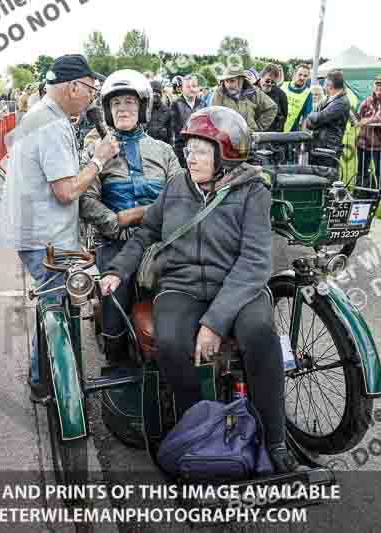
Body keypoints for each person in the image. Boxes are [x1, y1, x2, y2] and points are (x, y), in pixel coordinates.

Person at [98, 105, 298, 473]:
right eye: (188, 149)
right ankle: (199, 430)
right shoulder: (176, 186)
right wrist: (118, 270)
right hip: (182, 285)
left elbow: (255, 262)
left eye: (201, 151)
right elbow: (146, 232)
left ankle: (275, 441)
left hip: (237, 285)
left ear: (226, 154)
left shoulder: (253, 192)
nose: (191, 157)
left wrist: (215, 323)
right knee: (172, 342)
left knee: (260, 333)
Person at [0, 54, 119, 399]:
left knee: (56, 303)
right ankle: (47, 384)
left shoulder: (43, 116)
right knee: (55, 306)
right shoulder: (50, 125)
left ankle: (44, 379)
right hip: (43, 236)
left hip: (42, 233)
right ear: (73, 86)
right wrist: (99, 158)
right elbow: (66, 191)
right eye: (91, 91)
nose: (92, 98)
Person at [79, 69, 181, 365]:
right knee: (116, 297)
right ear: (108, 112)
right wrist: (115, 222)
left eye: (129, 102)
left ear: (143, 107)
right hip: (115, 243)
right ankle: (116, 358)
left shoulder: (164, 151)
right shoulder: (97, 151)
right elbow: (86, 199)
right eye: (116, 104)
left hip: (161, 242)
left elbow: (179, 195)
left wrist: (146, 215)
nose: (122, 109)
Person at [304, 70, 351, 168]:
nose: (323, 85)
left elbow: (319, 117)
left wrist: (311, 116)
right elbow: (312, 120)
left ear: (330, 85)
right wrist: (313, 117)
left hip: (329, 147)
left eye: (325, 82)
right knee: (315, 177)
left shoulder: (342, 102)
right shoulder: (328, 98)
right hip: (318, 145)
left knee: (327, 177)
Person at [212, 64, 277, 133]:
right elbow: (213, 115)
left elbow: (272, 108)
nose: (228, 85)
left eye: (232, 81)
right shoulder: (219, 93)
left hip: (248, 138)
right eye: (226, 81)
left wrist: (257, 127)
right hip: (227, 138)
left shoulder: (253, 92)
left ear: (241, 80)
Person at [170, 75, 205, 168]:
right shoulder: (176, 104)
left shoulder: (202, 104)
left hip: (200, 146)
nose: (191, 89)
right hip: (182, 148)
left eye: (194, 86)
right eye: (188, 87)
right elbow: (175, 131)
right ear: (182, 89)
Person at [282, 64, 313, 132]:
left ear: (308, 77)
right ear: (295, 74)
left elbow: (306, 117)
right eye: (300, 74)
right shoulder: (283, 85)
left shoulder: (308, 94)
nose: (302, 78)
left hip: (291, 134)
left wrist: (303, 138)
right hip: (275, 130)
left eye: (305, 76)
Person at [260, 64, 288, 132]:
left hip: (273, 136)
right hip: (255, 135)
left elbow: (284, 116)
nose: (269, 84)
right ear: (261, 77)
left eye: (272, 82)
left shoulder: (281, 94)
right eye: (267, 80)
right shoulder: (252, 91)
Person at [146, 80, 172, 145]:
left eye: (158, 92)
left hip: (162, 147)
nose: (155, 94)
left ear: (161, 94)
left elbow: (170, 134)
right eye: (153, 91)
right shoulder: (143, 109)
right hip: (145, 146)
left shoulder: (167, 111)